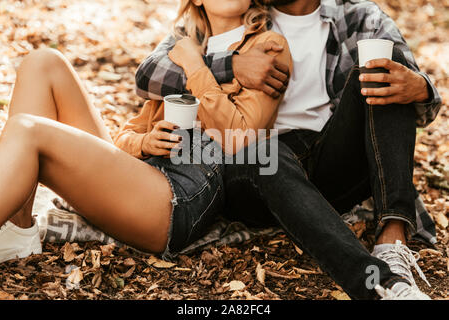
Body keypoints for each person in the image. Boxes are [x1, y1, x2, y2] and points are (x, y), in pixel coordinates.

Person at [134, 0, 442, 299]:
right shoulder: (240, 11)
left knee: (382, 74)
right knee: (270, 154)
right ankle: (380, 286)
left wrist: (422, 88)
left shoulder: (359, 16)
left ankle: (392, 241)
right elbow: (148, 75)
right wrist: (231, 65)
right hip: (253, 162)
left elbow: (410, 82)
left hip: (327, 155)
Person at [0, 1, 291, 264]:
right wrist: (145, 142)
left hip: (179, 194)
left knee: (27, 130)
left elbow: (238, 139)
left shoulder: (266, 45)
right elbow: (126, 135)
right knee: (43, 62)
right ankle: (18, 229)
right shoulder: (180, 44)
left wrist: (195, 66)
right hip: (140, 175)